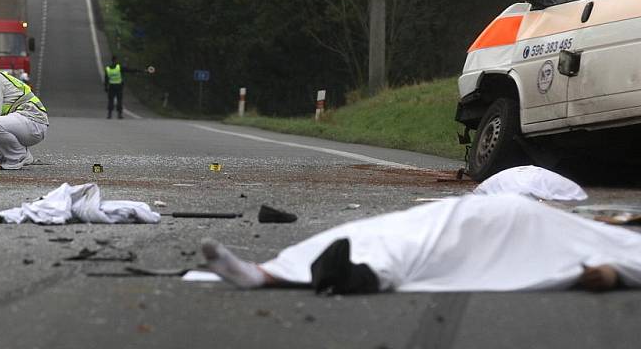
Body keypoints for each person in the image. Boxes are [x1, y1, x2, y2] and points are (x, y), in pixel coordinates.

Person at [200, 194, 641, 294]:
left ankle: (358, 275)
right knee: (386, 230)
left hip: (516, 234)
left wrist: (601, 274)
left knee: (426, 250)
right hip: (499, 213)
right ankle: (268, 270)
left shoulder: (627, 251)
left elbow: (611, 271)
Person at [103, 55, 137, 119]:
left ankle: (109, 114)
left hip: (111, 86)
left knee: (111, 100)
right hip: (119, 86)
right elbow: (128, 70)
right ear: (116, 60)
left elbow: (106, 79)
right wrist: (137, 70)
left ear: (112, 60)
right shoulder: (119, 68)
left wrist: (105, 87)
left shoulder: (108, 68)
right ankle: (119, 115)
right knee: (119, 100)